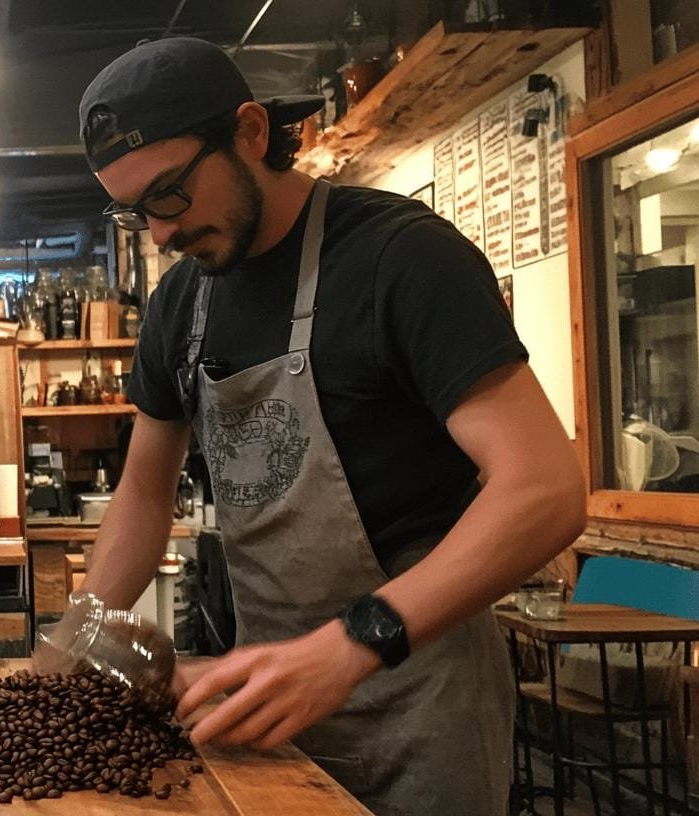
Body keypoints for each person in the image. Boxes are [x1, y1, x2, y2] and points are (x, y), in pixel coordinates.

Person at [58, 37, 585, 815]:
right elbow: (142, 493)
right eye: (134, 212)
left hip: (420, 699)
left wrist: (349, 646)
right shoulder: (180, 307)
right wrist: (75, 637)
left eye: (169, 195)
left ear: (249, 132)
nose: (159, 234)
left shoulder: (401, 260)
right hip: (267, 702)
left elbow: (545, 486)